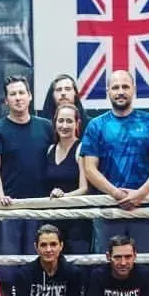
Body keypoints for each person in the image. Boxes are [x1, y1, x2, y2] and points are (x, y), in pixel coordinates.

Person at [82, 69, 149, 253]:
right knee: (108, 266)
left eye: (125, 86)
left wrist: (141, 194)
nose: (120, 91)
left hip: (145, 207)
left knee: (146, 264)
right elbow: (90, 168)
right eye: (115, 87)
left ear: (134, 89)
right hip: (108, 207)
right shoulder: (96, 125)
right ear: (108, 92)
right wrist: (116, 194)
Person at [0, 75, 54, 273]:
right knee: (8, 268)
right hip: (9, 208)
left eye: (21, 92)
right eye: (12, 94)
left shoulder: (46, 127)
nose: (18, 98)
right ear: (6, 100)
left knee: (41, 266)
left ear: (30, 96)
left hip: (41, 208)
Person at [44, 104, 91, 255]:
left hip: (77, 222)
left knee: (77, 266)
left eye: (69, 121)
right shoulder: (50, 149)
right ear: (55, 122)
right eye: (61, 120)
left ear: (77, 123)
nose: (64, 125)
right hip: (53, 221)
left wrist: (63, 197)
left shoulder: (81, 149)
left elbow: (85, 189)